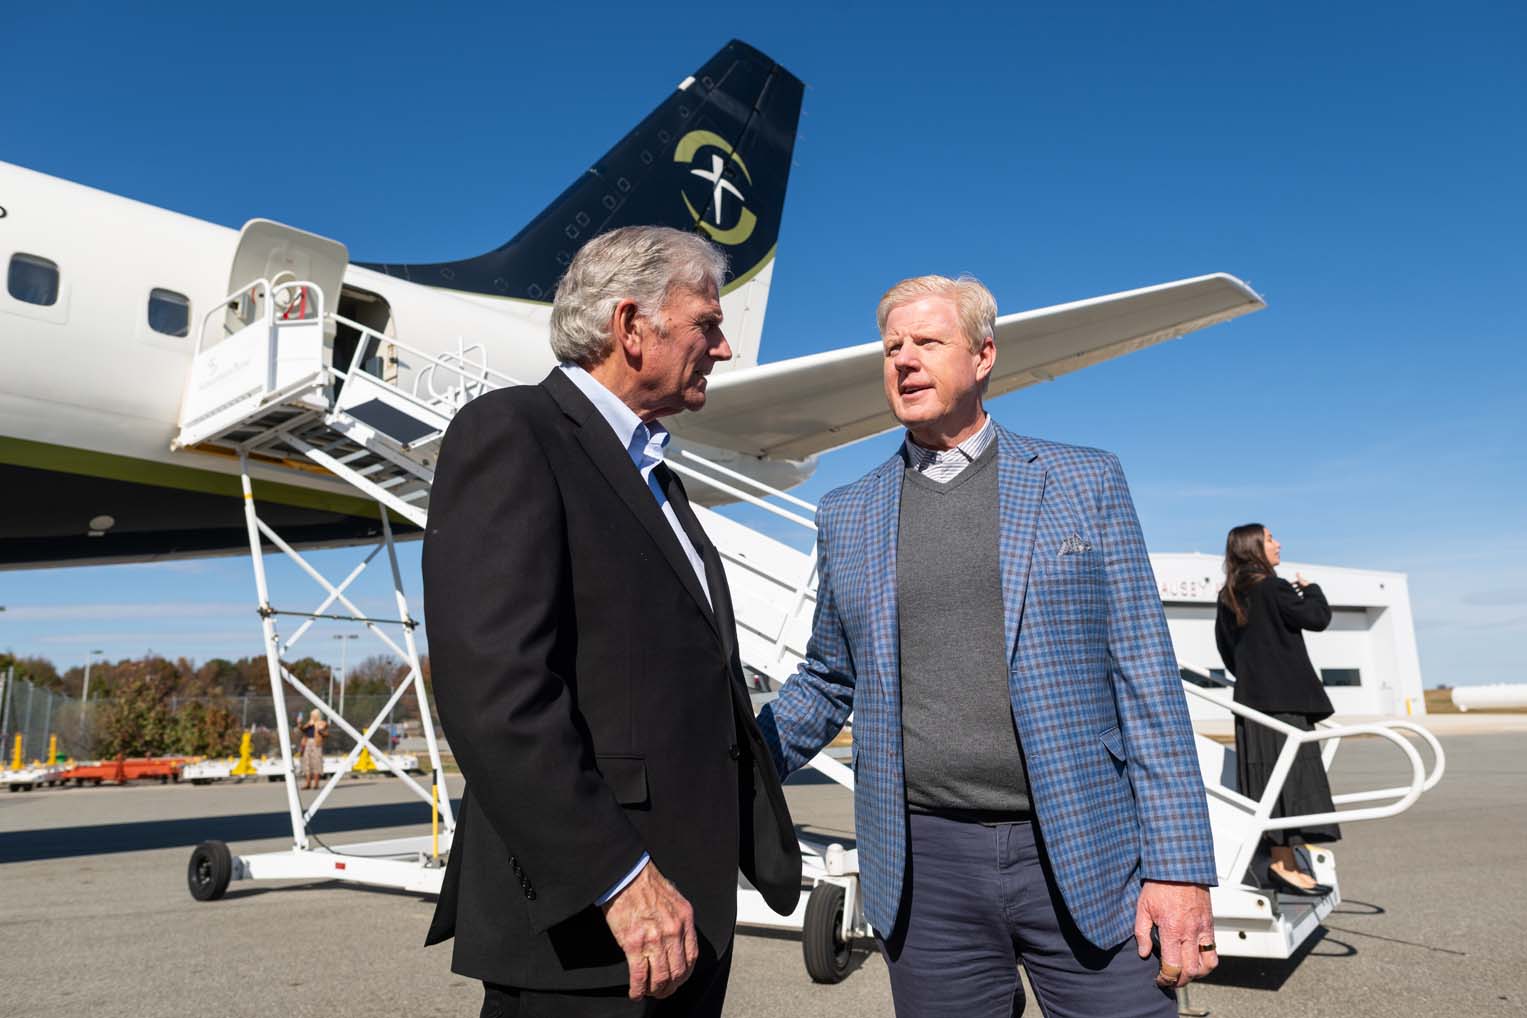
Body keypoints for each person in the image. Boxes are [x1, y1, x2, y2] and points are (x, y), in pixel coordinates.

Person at [757, 274, 1220, 1017]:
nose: (904, 360)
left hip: (1081, 846)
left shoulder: (1083, 480)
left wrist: (1178, 869)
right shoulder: (846, 513)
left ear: (982, 357)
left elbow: (1144, 677)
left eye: (927, 342)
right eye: (891, 348)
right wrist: (728, 762)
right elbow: (827, 679)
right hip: (926, 866)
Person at [422, 226, 800, 1018]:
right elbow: (498, 692)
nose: (723, 349)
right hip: (595, 927)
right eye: (707, 324)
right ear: (632, 328)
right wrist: (618, 878)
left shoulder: (652, 475)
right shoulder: (515, 432)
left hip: (681, 914)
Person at [1214, 523, 1340, 895]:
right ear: (1253, 547)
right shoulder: (1273, 586)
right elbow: (1316, 618)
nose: (1278, 543)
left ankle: (1285, 862)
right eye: (1270, 539)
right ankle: (1281, 864)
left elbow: (1226, 650)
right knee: (1293, 782)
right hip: (1285, 704)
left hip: (1254, 705)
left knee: (1272, 784)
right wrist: (1312, 589)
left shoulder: (1230, 594)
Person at [298, 708, 327, 790]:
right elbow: (303, 730)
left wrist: (321, 731)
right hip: (307, 742)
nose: (312, 717)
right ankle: (308, 783)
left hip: (316, 743)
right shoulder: (309, 723)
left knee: (316, 762)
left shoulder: (322, 723)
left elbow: (326, 734)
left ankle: (316, 783)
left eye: (314, 715)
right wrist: (300, 723)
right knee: (307, 762)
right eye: (312, 715)